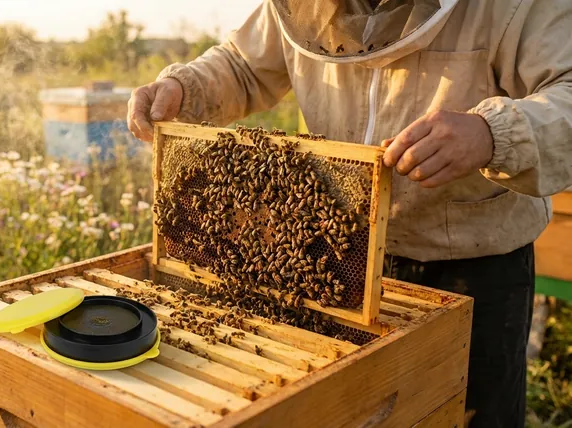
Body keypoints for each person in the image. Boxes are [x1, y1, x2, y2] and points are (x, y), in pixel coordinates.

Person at [127, 1, 572, 426]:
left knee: (464, 411)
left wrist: (491, 134)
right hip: (330, 261)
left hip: (471, 270)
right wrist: (188, 87)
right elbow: (243, 65)